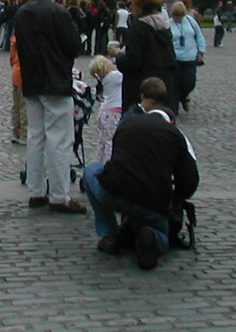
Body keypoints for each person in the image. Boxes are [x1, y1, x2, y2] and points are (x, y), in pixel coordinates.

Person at [83, 77, 199, 270]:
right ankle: (153, 238)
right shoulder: (176, 135)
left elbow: (114, 161)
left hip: (116, 191)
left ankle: (109, 234)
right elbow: (189, 181)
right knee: (162, 233)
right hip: (152, 201)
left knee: (91, 170)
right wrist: (175, 199)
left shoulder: (127, 124)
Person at [14, 0, 86, 214]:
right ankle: (59, 195)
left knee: (35, 138)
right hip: (55, 82)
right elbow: (73, 47)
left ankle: (35, 191)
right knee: (59, 141)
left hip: (32, 81)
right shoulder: (59, 12)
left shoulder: (22, 12)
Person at [117, 0, 177, 112]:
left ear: (139, 4)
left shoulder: (138, 28)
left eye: (132, 2)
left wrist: (119, 56)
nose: (130, 6)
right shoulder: (164, 27)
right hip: (162, 89)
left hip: (142, 91)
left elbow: (132, 62)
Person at [168, 1, 205, 112]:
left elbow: (199, 36)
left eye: (180, 15)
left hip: (190, 57)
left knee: (190, 82)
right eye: (175, 15)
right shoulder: (168, 24)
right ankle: (174, 108)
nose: (178, 18)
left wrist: (201, 52)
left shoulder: (190, 22)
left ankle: (183, 97)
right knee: (175, 84)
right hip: (175, 59)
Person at [91, 54, 123, 164]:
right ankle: (108, 163)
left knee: (103, 141)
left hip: (104, 110)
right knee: (111, 141)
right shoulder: (114, 76)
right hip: (114, 111)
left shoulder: (103, 79)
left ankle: (100, 161)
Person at [8, 33, 27, 145]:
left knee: (16, 106)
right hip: (25, 75)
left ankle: (16, 132)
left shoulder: (15, 40)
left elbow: (12, 58)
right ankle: (24, 133)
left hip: (16, 73)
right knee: (24, 106)